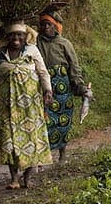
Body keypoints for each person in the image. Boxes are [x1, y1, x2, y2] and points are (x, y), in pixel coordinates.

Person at [0, 21, 54, 189]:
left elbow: (43, 72)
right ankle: (14, 178)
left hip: (30, 107)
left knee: (31, 139)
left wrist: (47, 90)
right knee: (8, 140)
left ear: (25, 37)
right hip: (7, 108)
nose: (16, 38)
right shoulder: (0, 56)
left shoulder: (32, 51)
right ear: (7, 37)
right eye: (13, 35)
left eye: (19, 35)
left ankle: (27, 177)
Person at [36, 10, 92, 162]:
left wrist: (81, 87)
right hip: (44, 87)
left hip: (62, 88)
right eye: (43, 25)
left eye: (49, 25)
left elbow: (74, 68)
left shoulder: (64, 44)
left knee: (63, 120)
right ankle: (43, 155)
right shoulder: (36, 43)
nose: (46, 28)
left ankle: (62, 152)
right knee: (44, 121)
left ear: (55, 27)